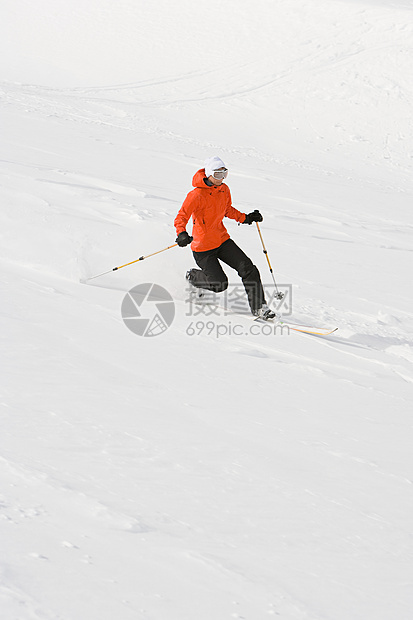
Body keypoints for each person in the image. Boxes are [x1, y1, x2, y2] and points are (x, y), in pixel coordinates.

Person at [174, 156, 275, 320]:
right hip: (203, 248)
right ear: (208, 174)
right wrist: (181, 233)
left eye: (224, 174)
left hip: (222, 240)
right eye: (218, 174)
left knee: (248, 268)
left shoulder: (224, 190)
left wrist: (246, 218)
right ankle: (193, 276)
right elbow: (181, 217)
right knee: (219, 284)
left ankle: (259, 308)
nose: (221, 178)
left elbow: (227, 209)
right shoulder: (196, 195)